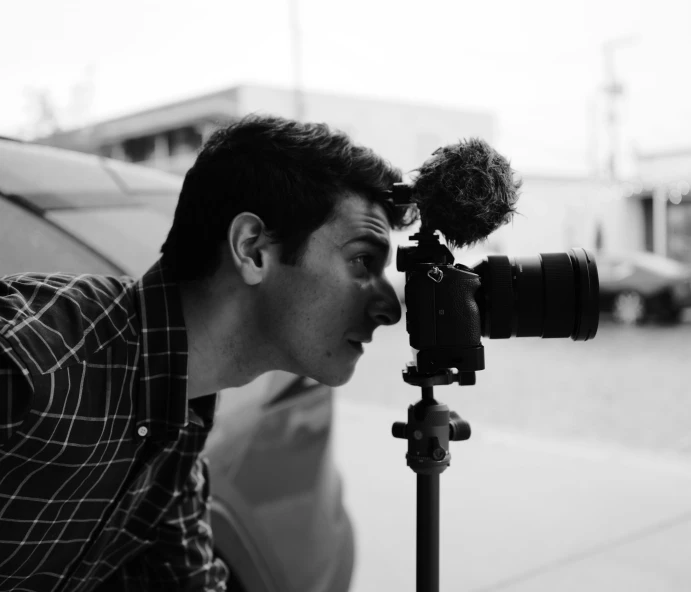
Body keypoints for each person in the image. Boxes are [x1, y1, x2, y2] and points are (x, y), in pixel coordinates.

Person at [0, 114, 416, 591]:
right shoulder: (30, 364)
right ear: (253, 249)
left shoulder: (178, 415)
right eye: (364, 260)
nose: (389, 308)